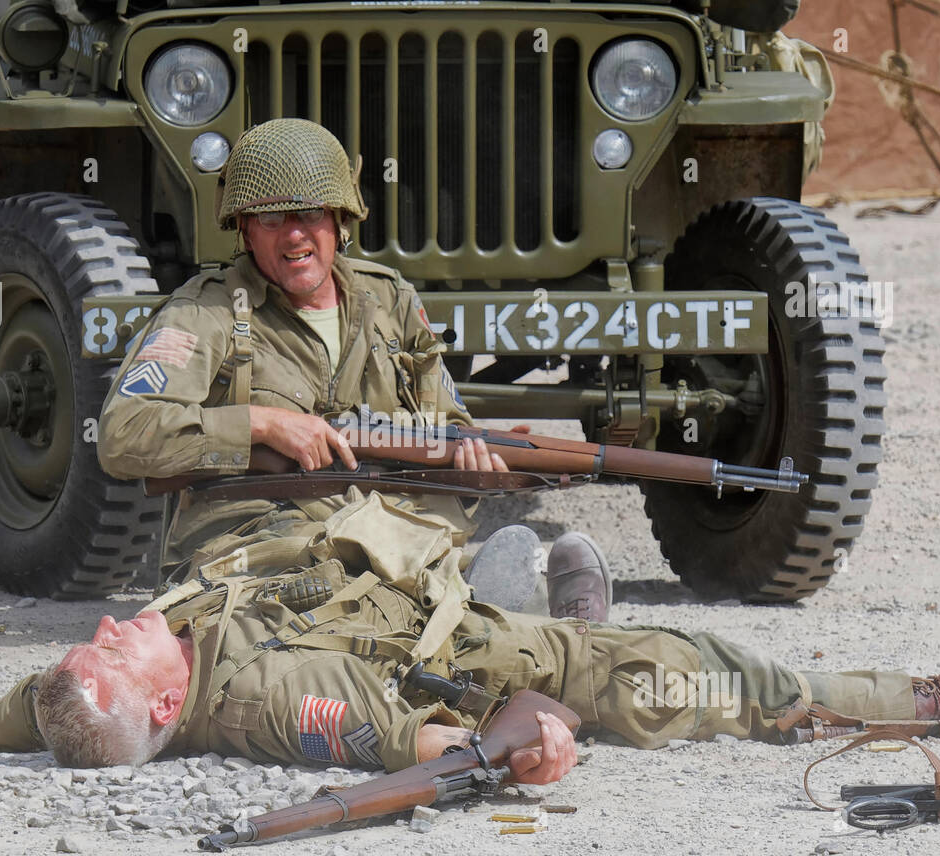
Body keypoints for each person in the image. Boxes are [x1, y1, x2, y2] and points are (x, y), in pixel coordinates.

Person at [0, 494, 940, 785]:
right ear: (157, 713)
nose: (104, 626)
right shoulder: (276, 700)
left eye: (87, 643)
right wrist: (530, 736)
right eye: (111, 655)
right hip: (499, 663)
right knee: (708, 676)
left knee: (526, 560)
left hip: (426, 597)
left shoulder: (82, 694)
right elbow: (445, 737)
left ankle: (569, 609)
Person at [94, 117, 610, 619]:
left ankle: (522, 625)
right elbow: (124, 434)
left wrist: (477, 460)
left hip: (392, 531)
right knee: (333, 603)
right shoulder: (206, 312)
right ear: (246, 230)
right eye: (273, 219)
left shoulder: (390, 300)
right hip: (259, 540)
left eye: (310, 215)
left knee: (397, 585)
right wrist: (262, 424)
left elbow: (448, 427)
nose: (294, 236)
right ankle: (499, 614)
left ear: (340, 220)